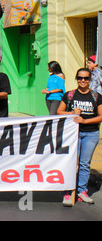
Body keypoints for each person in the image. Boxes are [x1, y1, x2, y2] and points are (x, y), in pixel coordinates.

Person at [57, 68, 102, 206]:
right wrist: (72, 113)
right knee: (70, 162)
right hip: (72, 134)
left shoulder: (96, 96)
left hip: (91, 133)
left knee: (84, 164)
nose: (83, 81)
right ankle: (68, 192)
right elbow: (59, 112)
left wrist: (85, 121)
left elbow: (101, 116)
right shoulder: (69, 95)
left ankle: (82, 191)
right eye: (80, 78)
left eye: (86, 78)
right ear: (77, 78)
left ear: (90, 80)